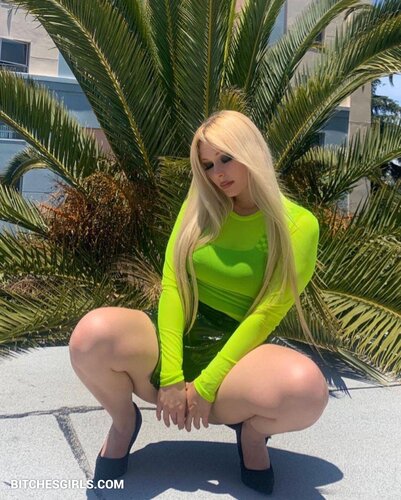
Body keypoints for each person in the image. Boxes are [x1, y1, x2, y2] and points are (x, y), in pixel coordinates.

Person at [68, 110, 329, 495]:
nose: (217, 173)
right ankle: (124, 424)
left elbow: (267, 314)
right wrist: (172, 377)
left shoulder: (298, 224)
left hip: (239, 353)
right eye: (207, 165)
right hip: (179, 331)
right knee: (90, 336)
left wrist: (206, 386)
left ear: (251, 151)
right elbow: (173, 284)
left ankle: (252, 437)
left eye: (226, 158)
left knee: (307, 390)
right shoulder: (201, 204)